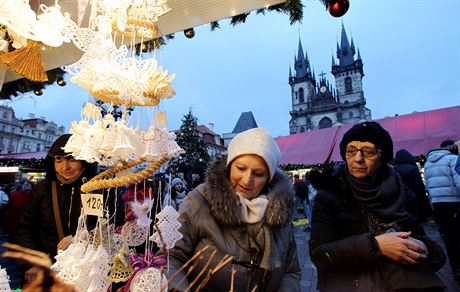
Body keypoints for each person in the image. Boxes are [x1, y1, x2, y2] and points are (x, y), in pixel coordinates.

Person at [309, 121, 445, 291]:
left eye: (368, 151)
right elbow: (319, 254)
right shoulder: (330, 195)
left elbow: (418, 235)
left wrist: (425, 248)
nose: (358, 159)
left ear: (383, 157)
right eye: (351, 151)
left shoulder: (400, 192)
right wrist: (376, 246)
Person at [166, 128, 301, 291]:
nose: (247, 180)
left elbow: (290, 271)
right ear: (230, 166)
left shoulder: (281, 212)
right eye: (241, 168)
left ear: (269, 178)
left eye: (258, 174)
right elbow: (169, 259)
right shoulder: (199, 202)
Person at [15, 134, 98, 259]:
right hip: (48, 265)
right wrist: (35, 261)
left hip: (87, 265)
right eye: (58, 160)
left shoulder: (99, 188)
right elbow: (25, 228)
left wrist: (82, 237)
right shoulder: (43, 188)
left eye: (71, 159)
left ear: (84, 161)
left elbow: (111, 224)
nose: (65, 167)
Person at [424, 139, 460, 284]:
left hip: (438, 204)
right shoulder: (453, 159)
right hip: (455, 202)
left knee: (449, 238)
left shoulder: (428, 163)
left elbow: (427, 186)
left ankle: (456, 269)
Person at [394, 149, 432, 223]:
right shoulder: (412, 169)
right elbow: (418, 187)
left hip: (401, 198)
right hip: (414, 197)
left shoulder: (394, 170)